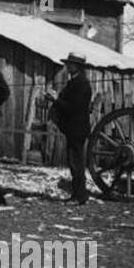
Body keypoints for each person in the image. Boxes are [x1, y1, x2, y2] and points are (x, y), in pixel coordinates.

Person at [47, 51, 93, 204]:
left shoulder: (81, 84)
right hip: (73, 128)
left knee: (76, 164)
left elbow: (74, 108)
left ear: (78, 67)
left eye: (71, 64)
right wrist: (55, 99)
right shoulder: (74, 81)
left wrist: (56, 100)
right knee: (75, 162)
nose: (68, 66)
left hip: (77, 128)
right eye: (68, 64)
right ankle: (78, 195)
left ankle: (79, 196)